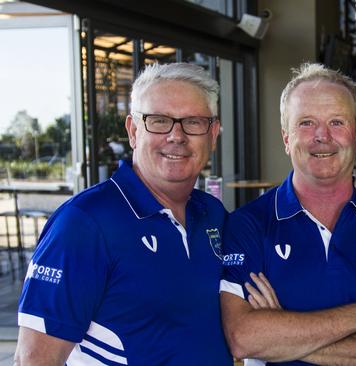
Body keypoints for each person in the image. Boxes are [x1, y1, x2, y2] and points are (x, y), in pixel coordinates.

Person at [14, 63, 233, 365]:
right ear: (133, 130)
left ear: (213, 133)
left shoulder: (213, 214)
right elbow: (33, 360)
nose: (176, 136)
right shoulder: (84, 224)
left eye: (193, 122)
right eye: (159, 121)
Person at [219, 63, 356, 365]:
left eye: (337, 122)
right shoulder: (248, 224)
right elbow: (243, 338)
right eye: (306, 123)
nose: (322, 136)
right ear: (286, 138)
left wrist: (283, 335)